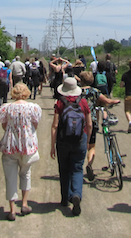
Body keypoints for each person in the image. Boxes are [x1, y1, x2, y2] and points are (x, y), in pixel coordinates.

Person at [0, 83, 42, 221]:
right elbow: (35, 125)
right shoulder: (33, 108)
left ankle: (12, 210)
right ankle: (24, 203)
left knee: (10, 177)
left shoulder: (7, 108)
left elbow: (4, 125)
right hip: (27, 145)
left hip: (11, 145)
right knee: (25, 173)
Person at [50, 77, 92, 216]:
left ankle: (64, 198)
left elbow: (55, 125)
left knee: (64, 169)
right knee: (77, 169)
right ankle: (76, 195)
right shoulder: (83, 102)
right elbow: (89, 124)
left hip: (63, 140)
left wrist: (52, 145)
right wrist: (87, 141)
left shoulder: (59, 103)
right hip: (80, 139)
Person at [79, 71, 120, 181]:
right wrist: (115, 101)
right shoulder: (94, 91)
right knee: (91, 147)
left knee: (80, 145)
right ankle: (89, 164)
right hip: (91, 121)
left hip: (78, 122)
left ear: (81, 80)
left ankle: (77, 167)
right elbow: (106, 100)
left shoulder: (77, 92)